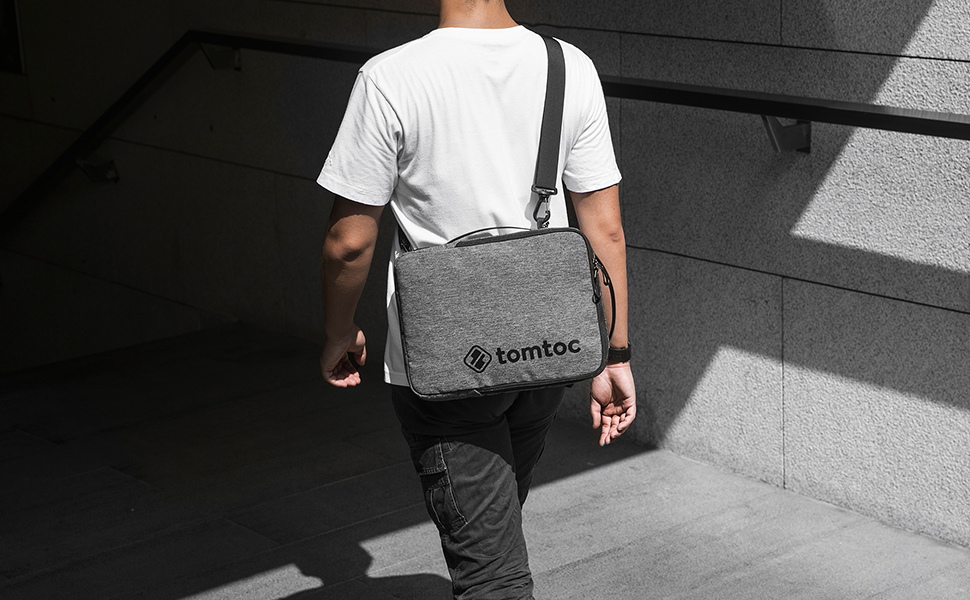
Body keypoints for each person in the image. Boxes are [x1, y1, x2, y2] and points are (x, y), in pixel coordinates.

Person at [317, 1, 636, 598]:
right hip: (545, 346)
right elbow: (606, 230)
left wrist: (339, 331)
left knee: (492, 574)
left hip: (443, 361)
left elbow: (348, 243)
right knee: (496, 532)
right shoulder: (569, 66)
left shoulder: (389, 77)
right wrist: (614, 355)